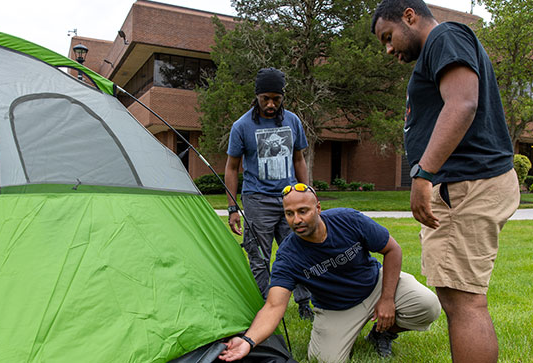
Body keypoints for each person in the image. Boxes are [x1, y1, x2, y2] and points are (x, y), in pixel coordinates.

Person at [371, 1, 520, 362]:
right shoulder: (439, 49)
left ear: (409, 15)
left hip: (466, 183)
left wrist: (423, 173)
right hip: (463, 184)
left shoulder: (445, 36)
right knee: (458, 298)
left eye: (388, 37)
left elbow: (463, 102)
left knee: (464, 301)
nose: (389, 49)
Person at [219, 184, 441, 362]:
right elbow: (274, 306)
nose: (296, 220)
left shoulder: (348, 220)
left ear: (318, 208)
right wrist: (248, 340)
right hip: (336, 308)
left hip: (375, 285)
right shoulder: (288, 256)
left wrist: (387, 299)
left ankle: (383, 333)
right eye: (289, 214)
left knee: (428, 305)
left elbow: (392, 249)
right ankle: (351, 332)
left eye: (302, 211)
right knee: (323, 359)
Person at [225, 67, 313, 320]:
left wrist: (306, 192)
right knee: (259, 255)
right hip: (257, 200)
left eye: (276, 98)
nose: (271, 104)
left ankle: (305, 302)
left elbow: (299, 159)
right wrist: (233, 208)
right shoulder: (242, 126)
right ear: (257, 97)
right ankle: (267, 305)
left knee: (298, 249)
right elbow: (231, 168)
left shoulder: (293, 121)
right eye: (266, 99)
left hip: (290, 198)